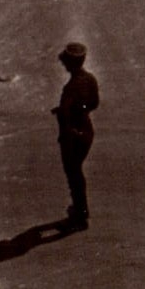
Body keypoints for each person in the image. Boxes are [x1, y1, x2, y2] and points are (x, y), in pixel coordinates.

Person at [52, 42, 99, 229]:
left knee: (73, 174)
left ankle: (80, 214)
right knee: (76, 172)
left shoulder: (71, 87)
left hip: (72, 135)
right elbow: (93, 103)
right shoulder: (90, 79)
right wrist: (80, 109)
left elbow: (66, 115)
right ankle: (81, 210)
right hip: (86, 130)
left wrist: (69, 116)